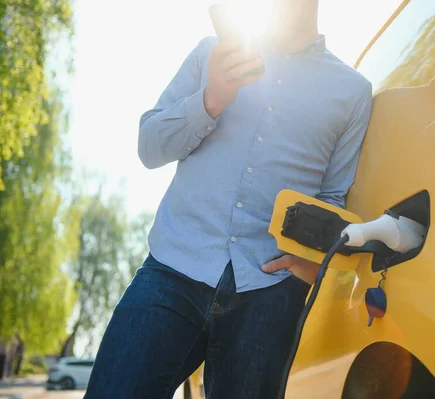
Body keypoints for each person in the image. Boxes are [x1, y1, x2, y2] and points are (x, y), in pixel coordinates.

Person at [84, 0, 372, 398]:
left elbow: (333, 196)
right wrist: (211, 99)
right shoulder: (211, 53)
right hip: (172, 271)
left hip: (270, 292)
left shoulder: (353, 92)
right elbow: (149, 147)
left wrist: (309, 264)